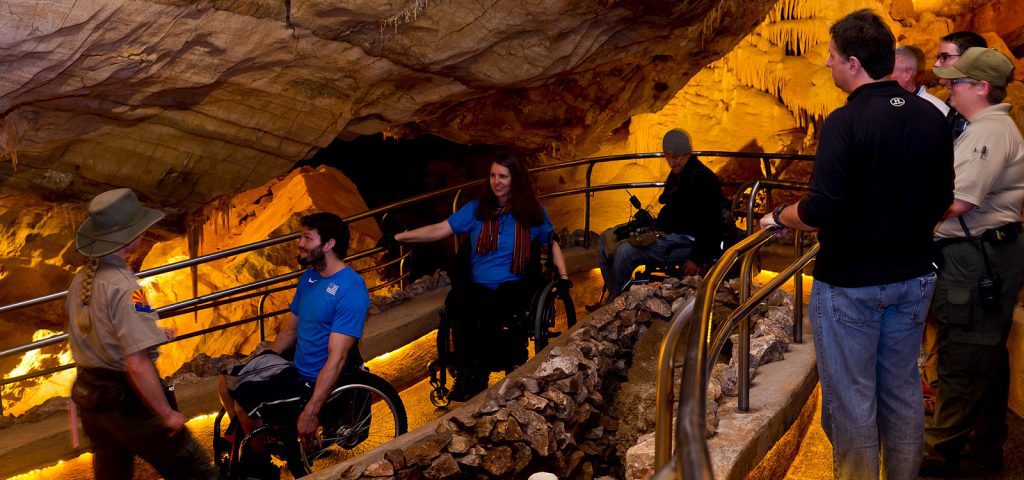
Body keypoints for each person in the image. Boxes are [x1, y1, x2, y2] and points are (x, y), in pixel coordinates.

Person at [759, 9, 954, 479]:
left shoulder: (845, 123)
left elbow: (818, 210)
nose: (826, 65)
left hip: (850, 283)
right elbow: (944, 198)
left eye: (830, 57)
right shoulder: (932, 116)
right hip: (913, 276)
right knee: (903, 392)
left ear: (852, 63)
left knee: (852, 400)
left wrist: (777, 216)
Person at [922, 47, 1024, 477]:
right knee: (983, 353)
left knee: (965, 352)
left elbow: (957, 201)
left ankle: (936, 452)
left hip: (977, 257)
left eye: (957, 82)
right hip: (984, 253)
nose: (949, 87)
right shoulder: (986, 127)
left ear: (982, 88)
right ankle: (984, 446)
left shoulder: (989, 132)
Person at [67, 188, 217, 480]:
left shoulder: (80, 280)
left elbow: (98, 332)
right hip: (127, 405)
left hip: (92, 401)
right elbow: (136, 363)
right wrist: (166, 413)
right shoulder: (126, 287)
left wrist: (151, 332)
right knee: (197, 473)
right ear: (129, 236)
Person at [395, 153, 570, 401]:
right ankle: (468, 371)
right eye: (493, 176)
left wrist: (562, 276)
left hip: (515, 284)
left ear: (515, 180)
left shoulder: (531, 212)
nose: (496, 181)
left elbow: (551, 244)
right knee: (457, 303)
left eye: (503, 176)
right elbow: (440, 229)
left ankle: (482, 371)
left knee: (491, 310)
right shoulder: (477, 210)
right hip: (478, 284)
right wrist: (403, 237)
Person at [218, 212, 369, 478]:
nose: (299, 243)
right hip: (295, 366)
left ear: (329, 244)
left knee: (245, 400)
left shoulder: (350, 288)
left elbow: (337, 359)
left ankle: (260, 464)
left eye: (307, 237)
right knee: (226, 380)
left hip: (313, 379)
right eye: (301, 236)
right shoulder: (309, 279)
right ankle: (253, 432)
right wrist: (261, 364)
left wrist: (311, 412)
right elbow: (290, 331)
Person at [591, 129, 725, 307]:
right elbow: (670, 207)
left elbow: (712, 224)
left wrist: (696, 258)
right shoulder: (678, 174)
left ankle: (615, 304)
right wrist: (651, 225)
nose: (671, 162)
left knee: (626, 252)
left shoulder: (704, 179)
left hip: (687, 242)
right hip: (667, 233)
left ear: (687, 153)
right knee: (605, 240)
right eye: (668, 156)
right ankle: (614, 295)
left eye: (676, 156)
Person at [933, 31, 988, 140]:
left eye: (945, 57)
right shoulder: (954, 101)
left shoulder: (983, 112)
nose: (936, 64)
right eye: (938, 57)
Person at [892, 45, 950, 115]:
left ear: (907, 74)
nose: (885, 74)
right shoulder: (881, 102)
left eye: (891, 69)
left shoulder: (937, 110)